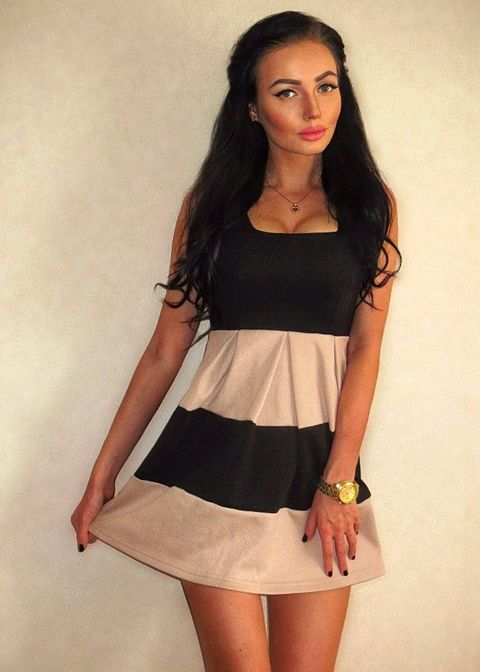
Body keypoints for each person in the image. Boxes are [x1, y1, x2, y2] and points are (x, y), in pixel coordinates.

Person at [71, 10, 401, 672]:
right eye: (286, 91)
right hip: (214, 470)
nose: (313, 109)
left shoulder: (371, 206)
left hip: (315, 473)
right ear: (252, 108)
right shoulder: (211, 206)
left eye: (326, 85)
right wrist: (103, 475)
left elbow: (366, 348)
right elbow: (166, 349)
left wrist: (340, 478)